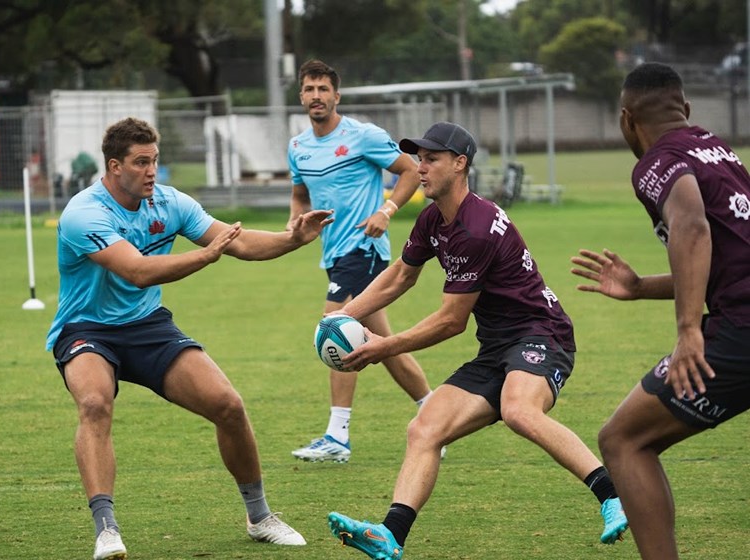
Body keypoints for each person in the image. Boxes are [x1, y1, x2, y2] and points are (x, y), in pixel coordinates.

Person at [325, 121, 629, 559]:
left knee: (518, 409)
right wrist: (343, 317)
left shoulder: (475, 227)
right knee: (424, 428)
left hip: (541, 333)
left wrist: (380, 348)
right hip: (497, 347)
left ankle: (613, 496)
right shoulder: (434, 218)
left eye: (430, 159)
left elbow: (451, 322)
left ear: (460, 163)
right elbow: (400, 276)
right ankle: (390, 534)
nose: (419, 167)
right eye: (418, 158)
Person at [46, 117, 333, 560]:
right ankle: (107, 529)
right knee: (94, 404)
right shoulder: (85, 213)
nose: (151, 172)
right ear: (114, 166)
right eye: (141, 163)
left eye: (155, 161)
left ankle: (259, 517)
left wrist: (292, 238)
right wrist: (205, 255)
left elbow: (235, 241)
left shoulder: (169, 202)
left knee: (228, 405)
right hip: (87, 328)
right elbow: (137, 272)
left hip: (147, 326)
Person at [570, 62, 750, 560]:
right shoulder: (718, 149)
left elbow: (692, 226)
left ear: (626, 120)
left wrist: (689, 329)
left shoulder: (656, 161)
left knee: (623, 440)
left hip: (740, 331)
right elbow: (727, 261)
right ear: (686, 109)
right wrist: (641, 286)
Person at [287, 59, 435, 463]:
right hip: (333, 253)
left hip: (364, 249)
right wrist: (294, 223)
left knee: (335, 330)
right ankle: (436, 412)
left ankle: (337, 436)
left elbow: (408, 171)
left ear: (337, 95)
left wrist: (385, 211)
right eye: (309, 89)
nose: (316, 96)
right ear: (301, 96)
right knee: (381, 345)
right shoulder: (298, 146)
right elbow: (300, 193)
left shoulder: (363, 136)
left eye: (323, 89)